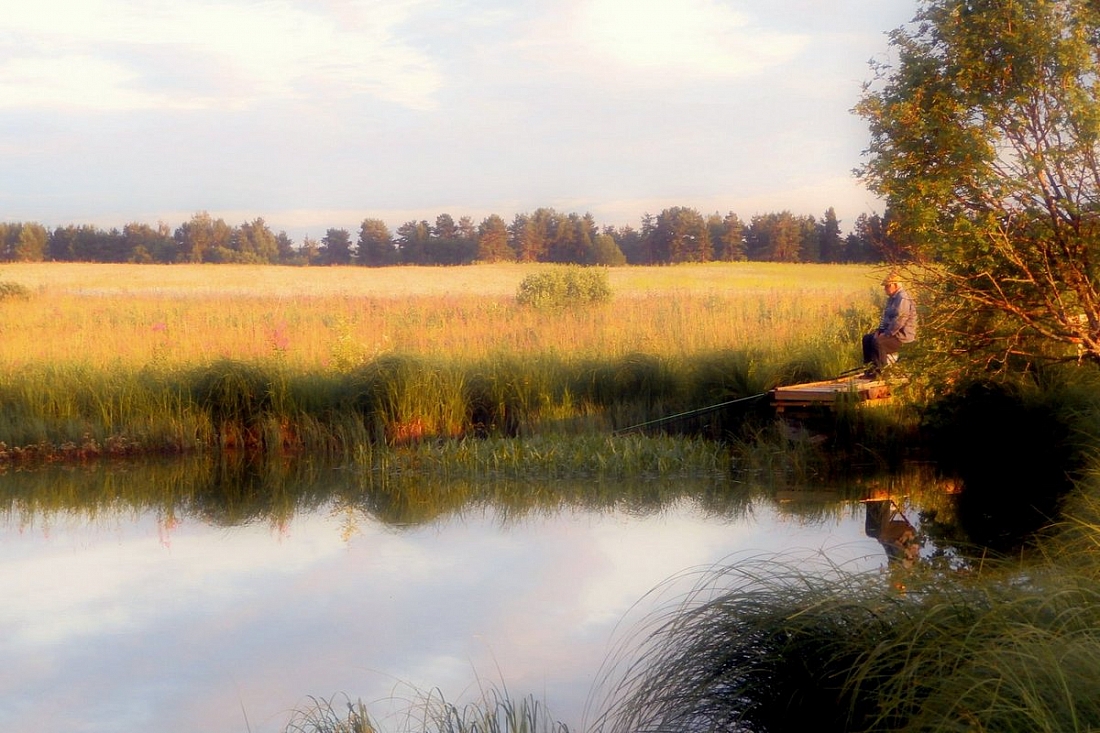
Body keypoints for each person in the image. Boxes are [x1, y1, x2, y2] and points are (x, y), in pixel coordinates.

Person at [862, 270, 917, 377]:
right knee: (867, 339)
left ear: (895, 285)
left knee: (878, 342)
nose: (885, 289)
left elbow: (900, 320)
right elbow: (886, 318)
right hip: (892, 334)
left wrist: (886, 333)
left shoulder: (902, 298)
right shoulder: (891, 299)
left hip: (902, 337)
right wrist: (879, 330)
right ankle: (870, 371)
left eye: (887, 286)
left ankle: (883, 373)